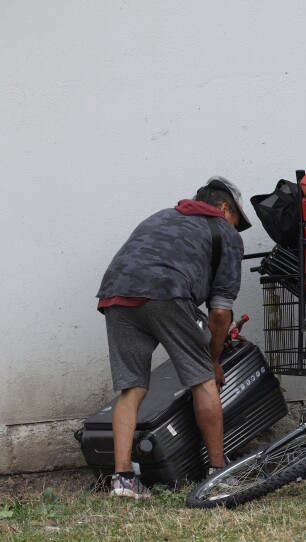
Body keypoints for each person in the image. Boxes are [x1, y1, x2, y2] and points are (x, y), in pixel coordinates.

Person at [96, 176, 252, 499]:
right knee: (203, 379)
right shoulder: (224, 232)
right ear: (225, 209)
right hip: (166, 291)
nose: (235, 230)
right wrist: (212, 357)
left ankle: (123, 480)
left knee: (132, 389)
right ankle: (218, 472)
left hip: (115, 293)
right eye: (236, 222)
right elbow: (221, 313)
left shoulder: (163, 216)